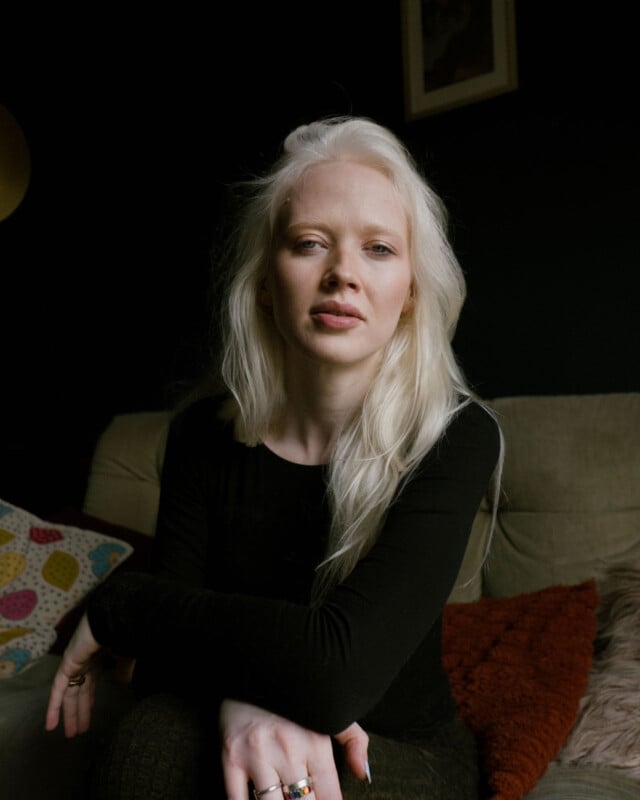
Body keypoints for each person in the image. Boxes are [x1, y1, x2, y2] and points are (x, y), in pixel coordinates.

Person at [45, 115, 502, 799]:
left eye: (379, 249)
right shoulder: (203, 432)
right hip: (225, 706)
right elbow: (167, 663)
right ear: (263, 281)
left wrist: (120, 604)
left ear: (410, 292)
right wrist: (245, 703)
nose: (343, 273)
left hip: (398, 746)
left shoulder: (456, 435)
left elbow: (336, 673)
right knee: (150, 744)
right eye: (309, 244)